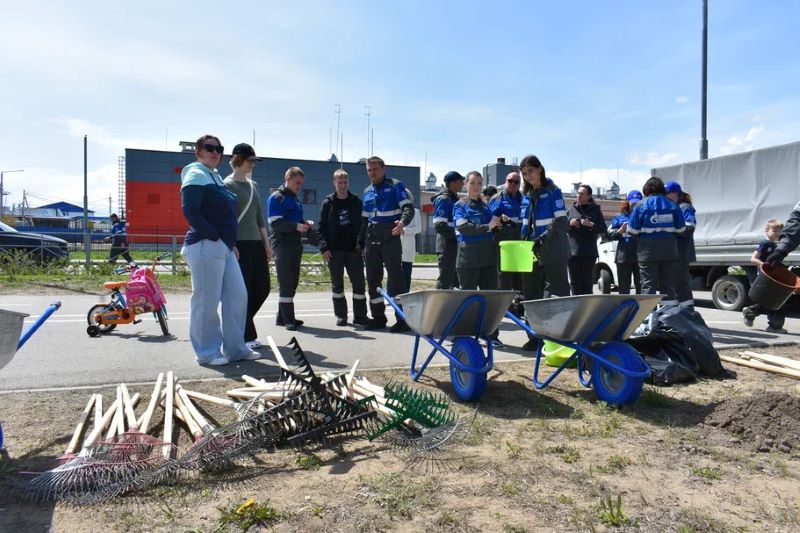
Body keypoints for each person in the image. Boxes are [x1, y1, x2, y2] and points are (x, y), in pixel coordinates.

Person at [180, 134, 259, 366]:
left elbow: (224, 216)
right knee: (206, 300)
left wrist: (229, 243)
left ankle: (235, 348)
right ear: (199, 152)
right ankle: (206, 352)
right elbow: (190, 210)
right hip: (205, 244)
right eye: (209, 148)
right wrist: (214, 236)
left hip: (223, 247)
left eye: (219, 148)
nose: (215, 152)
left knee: (238, 295)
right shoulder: (196, 173)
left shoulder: (213, 176)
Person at [519, 154, 570, 350]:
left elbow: (561, 223)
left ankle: (556, 339)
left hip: (552, 250)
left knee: (555, 295)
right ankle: (534, 338)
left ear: (540, 169)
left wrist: (543, 239)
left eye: (530, 171)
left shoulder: (553, 192)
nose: (528, 176)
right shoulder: (527, 195)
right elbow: (525, 225)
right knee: (530, 295)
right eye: (524, 173)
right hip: (530, 251)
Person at [223, 143, 272, 349]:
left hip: (257, 244)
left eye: (254, 161)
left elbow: (259, 215)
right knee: (243, 291)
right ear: (238, 159)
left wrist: (267, 244)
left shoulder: (254, 185)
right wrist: (231, 244)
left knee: (262, 289)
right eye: (250, 160)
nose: (253, 164)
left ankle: (239, 327)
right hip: (239, 244)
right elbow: (227, 218)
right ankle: (245, 335)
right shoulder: (227, 185)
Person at [359, 156, 415, 332]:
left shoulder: (395, 185)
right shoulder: (367, 191)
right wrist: (359, 243)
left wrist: (402, 223)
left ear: (383, 169)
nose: (372, 173)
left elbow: (408, 208)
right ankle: (378, 317)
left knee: (397, 280)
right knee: (373, 281)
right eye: (369, 170)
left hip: (390, 237)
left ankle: (403, 319)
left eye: (375, 169)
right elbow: (363, 220)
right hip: (371, 240)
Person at [454, 171, 503, 345]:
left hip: (488, 257)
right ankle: (463, 335)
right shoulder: (459, 205)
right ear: (466, 184)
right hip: (468, 258)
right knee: (468, 298)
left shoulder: (485, 206)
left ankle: (490, 334)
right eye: (473, 183)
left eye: (479, 183)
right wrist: (487, 227)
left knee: (490, 297)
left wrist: (497, 223)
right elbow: (464, 227)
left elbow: (492, 225)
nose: (476, 186)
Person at [318, 169, 369, 327]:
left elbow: (364, 224)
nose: (342, 185)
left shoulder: (356, 202)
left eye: (345, 182)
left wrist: (361, 244)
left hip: (354, 250)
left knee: (359, 284)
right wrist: (324, 248)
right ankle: (341, 316)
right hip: (335, 251)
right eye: (339, 182)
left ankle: (360, 316)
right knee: (337, 285)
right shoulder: (328, 203)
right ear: (334, 183)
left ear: (348, 183)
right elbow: (321, 228)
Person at [268, 166, 315, 331]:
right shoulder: (277, 197)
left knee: (293, 281)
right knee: (286, 281)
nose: (299, 186)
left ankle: (282, 317)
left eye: (301, 183)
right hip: (282, 244)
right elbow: (275, 222)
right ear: (287, 179)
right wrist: (296, 226)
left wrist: (304, 223)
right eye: (297, 183)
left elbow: (296, 219)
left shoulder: (294, 198)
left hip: (295, 243)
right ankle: (288, 320)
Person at [627, 177, 685, 306]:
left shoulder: (640, 205)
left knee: (648, 285)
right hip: (669, 251)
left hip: (647, 252)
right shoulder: (673, 205)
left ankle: (649, 320)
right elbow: (681, 230)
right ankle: (668, 318)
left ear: (646, 190)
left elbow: (632, 230)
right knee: (668, 285)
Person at [743, 219, 787, 333]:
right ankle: (752, 314)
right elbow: (753, 258)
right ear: (767, 231)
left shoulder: (779, 245)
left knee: (774, 300)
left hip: (775, 276)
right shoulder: (764, 243)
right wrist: (763, 264)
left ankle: (772, 324)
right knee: (771, 300)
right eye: (775, 231)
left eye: (779, 231)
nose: (777, 233)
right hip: (765, 277)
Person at [566, 184, 607, 295]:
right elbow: (562, 228)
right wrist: (570, 223)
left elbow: (603, 229)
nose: (579, 195)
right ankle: (576, 310)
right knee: (575, 285)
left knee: (587, 285)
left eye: (582, 193)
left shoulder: (595, 210)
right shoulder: (571, 210)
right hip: (573, 254)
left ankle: (587, 310)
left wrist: (590, 224)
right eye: (578, 193)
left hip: (588, 254)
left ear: (589, 196)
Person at [489, 172, 524, 296]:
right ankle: (505, 308)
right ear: (505, 182)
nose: (513, 184)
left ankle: (518, 305)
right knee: (504, 276)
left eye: (516, 182)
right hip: (504, 245)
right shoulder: (497, 199)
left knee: (520, 276)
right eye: (510, 181)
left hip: (521, 244)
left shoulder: (524, 199)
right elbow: (489, 221)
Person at [666, 181, 697, 308]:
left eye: (667, 194)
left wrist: (672, 229)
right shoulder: (676, 206)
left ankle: (687, 311)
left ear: (674, 193)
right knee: (677, 282)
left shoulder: (684, 207)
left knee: (681, 283)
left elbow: (690, 226)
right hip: (677, 251)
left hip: (682, 251)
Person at [432, 171, 463, 290]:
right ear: (453, 183)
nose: (462, 184)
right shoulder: (444, 199)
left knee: (455, 280)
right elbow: (439, 225)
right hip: (446, 245)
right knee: (445, 280)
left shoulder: (454, 199)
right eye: (461, 181)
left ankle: (452, 307)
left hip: (453, 245)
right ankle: (439, 307)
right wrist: (458, 235)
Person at [607, 190, 643, 294]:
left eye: (637, 202)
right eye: (633, 202)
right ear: (627, 201)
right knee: (623, 287)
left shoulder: (644, 215)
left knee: (641, 286)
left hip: (640, 256)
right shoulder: (619, 217)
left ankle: (641, 309)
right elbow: (610, 235)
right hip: (623, 256)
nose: (635, 204)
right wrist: (620, 231)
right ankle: (624, 309)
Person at [400, 197, 421, 293]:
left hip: (408, 247)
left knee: (406, 274)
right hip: (395, 246)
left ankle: (405, 295)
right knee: (393, 273)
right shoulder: (395, 211)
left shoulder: (416, 212)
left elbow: (418, 229)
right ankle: (391, 296)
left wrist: (404, 231)